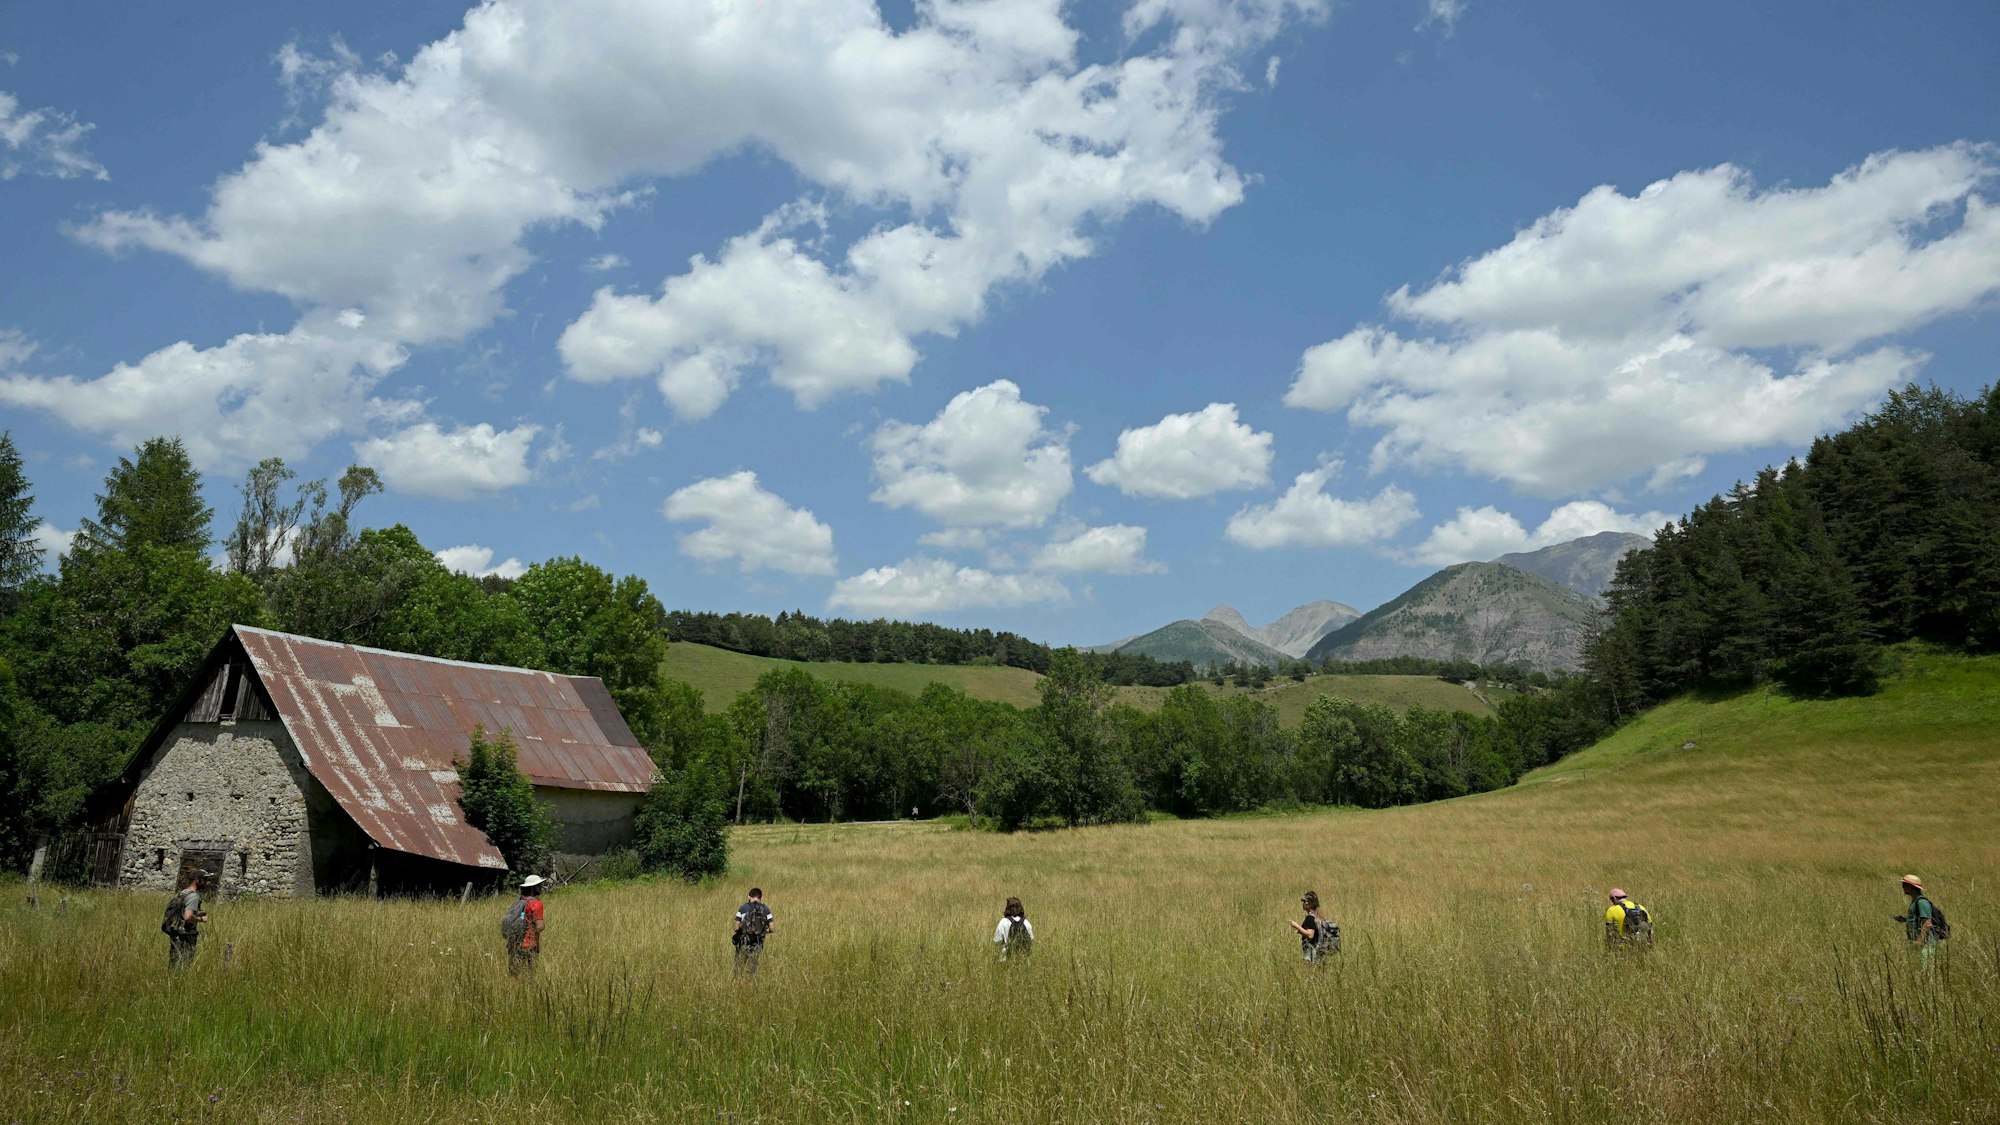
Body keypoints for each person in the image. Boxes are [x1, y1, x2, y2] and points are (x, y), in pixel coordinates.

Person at [1894, 875, 1947, 970]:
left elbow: (1927, 923)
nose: (1902, 886)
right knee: (1920, 969)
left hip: (1926, 944)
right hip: (1922, 944)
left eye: (1905, 884)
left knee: (1925, 971)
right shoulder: (1916, 901)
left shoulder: (1921, 902)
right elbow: (1920, 919)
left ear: (1911, 887)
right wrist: (1905, 919)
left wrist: (1918, 941)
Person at [162, 869, 210, 969]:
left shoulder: (183, 893)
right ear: (197, 880)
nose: (206, 882)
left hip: (176, 932)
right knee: (184, 963)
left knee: (174, 961)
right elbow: (188, 917)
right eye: (204, 879)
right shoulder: (194, 896)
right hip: (185, 935)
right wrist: (201, 919)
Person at [503, 874, 546, 977]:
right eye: (539, 885)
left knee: (515, 974)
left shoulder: (517, 903)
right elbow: (540, 926)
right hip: (530, 944)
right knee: (530, 975)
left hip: (514, 943)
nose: (540, 887)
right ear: (533, 888)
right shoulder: (536, 904)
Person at [733, 887, 774, 977]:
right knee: (752, 967)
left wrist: (743, 931)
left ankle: (737, 981)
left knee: (739, 965)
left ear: (749, 897)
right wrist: (763, 931)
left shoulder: (743, 908)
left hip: (743, 942)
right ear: (761, 898)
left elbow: (736, 928)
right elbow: (772, 928)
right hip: (757, 942)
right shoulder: (766, 909)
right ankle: (750, 983)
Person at [1286, 890, 1335, 962]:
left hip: (1312, 953)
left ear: (1310, 903)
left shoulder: (1310, 918)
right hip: (1320, 952)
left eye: (1304, 901)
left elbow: (1310, 935)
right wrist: (1300, 931)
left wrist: (1296, 925)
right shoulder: (1318, 916)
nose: (1302, 903)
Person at [994, 896, 1034, 962]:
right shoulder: (1026, 922)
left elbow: (998, 942)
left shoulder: (1003, 922)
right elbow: (1030, 941)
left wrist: (995, 959)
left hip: (1006, 960)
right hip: (1023, 960)